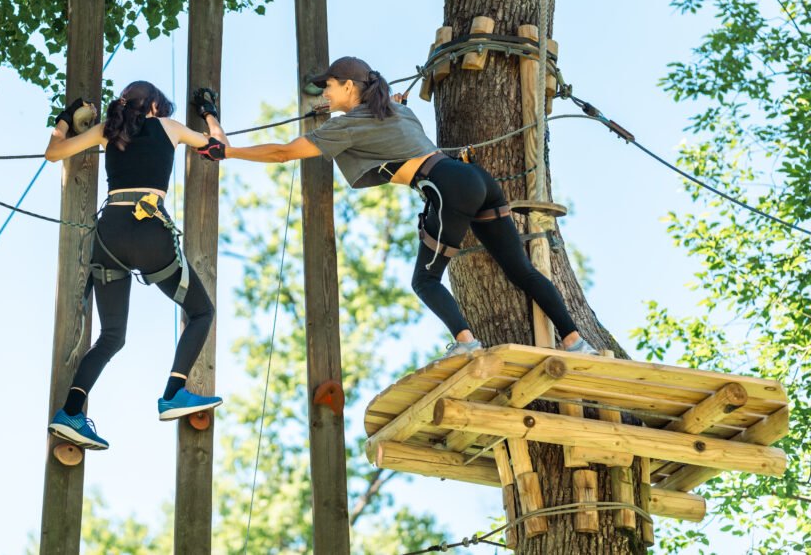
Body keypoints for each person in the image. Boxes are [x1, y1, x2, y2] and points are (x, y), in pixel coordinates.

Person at [198, 56, 597, 358]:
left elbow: (284, 153)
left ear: (350, 86)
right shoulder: (396, 109)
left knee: (425, 281)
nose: (325, 95)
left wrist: (228, 152)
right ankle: (576, 342)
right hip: (476, 180)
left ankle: (466, 343)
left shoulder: (347, 125)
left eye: (329, 87)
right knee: (520, 270)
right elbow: (392, 110)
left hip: (445, 188)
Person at [43, 83, 230, 450]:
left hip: (110, 235)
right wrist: (209, 113)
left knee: (112, 336)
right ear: (154, 106)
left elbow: (53, 153)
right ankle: (173, 393)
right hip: (149, 231)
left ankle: (70, 412)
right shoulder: (169, 127)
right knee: (201, 312)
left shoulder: (107, 130)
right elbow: (218, 147)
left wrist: (65, 118)